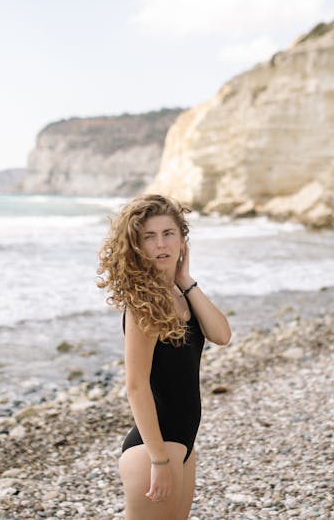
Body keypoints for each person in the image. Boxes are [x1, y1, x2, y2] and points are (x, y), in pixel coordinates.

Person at [98, 194, 231, 519]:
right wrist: (158, 460)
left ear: (182, 240)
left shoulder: (180, 294)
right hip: (154, 450)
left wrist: (185, 279)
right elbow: (136, 386)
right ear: (137, 246)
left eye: (168, 233)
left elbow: (222, 335)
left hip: (182, 443)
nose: (161, 244)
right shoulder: (143, 306)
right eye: (150, 236)